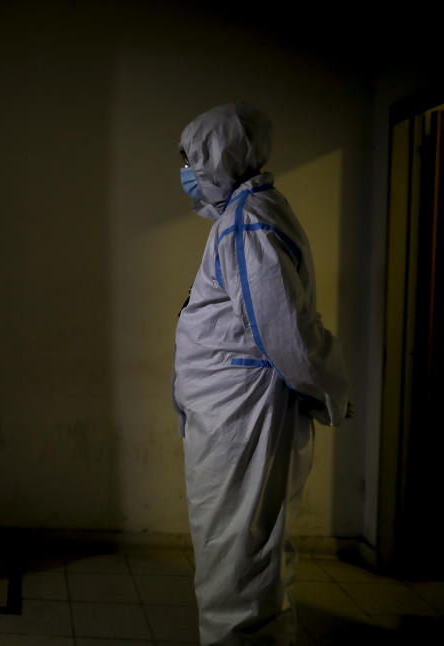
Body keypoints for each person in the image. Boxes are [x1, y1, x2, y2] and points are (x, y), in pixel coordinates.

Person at [171, 103, 352, 645]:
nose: (184, 172)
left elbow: (286, 334)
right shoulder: (246, 215)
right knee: (246, 556)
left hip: (243, 423)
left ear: (218, 156)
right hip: (236, 420)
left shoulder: (249, 222)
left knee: (238, 567)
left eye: (191, 159)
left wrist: (328, 392)